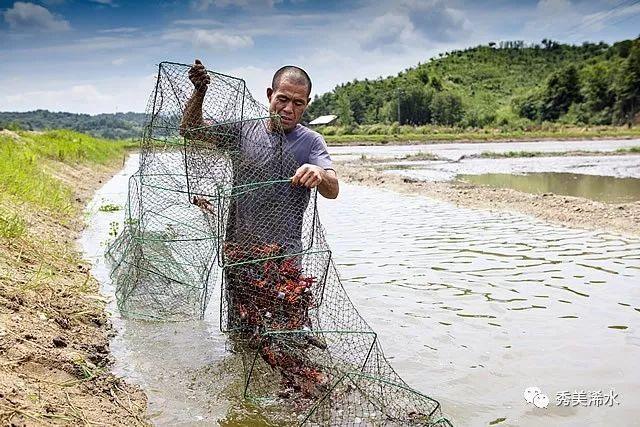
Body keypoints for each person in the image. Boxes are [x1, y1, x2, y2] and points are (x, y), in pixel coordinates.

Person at [180, 59, 338, 333]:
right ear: (269, 95)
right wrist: (199, 92)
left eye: (298, 103)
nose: (289, 109)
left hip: (285, 256)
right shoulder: (243, 131)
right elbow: (190, 130)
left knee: (286, 330)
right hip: (241, 253)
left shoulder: (311, 142)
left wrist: (319, 173)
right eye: (283, 99)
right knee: (242, 330)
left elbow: (333, 189)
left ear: (307, 103)